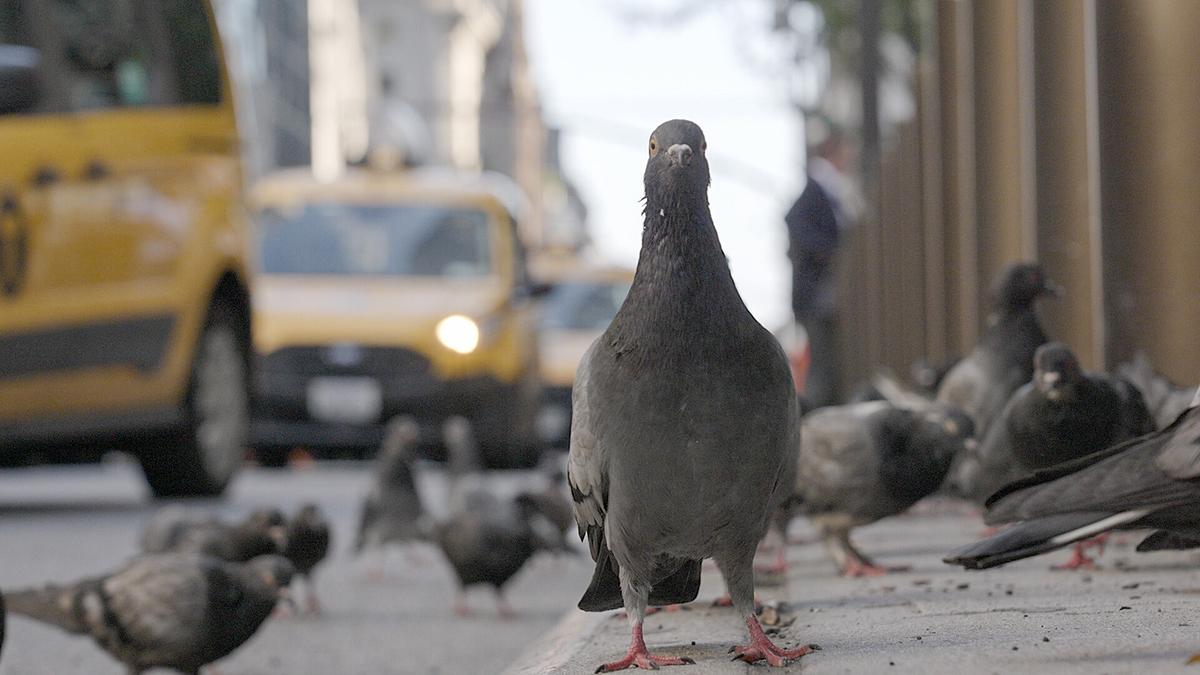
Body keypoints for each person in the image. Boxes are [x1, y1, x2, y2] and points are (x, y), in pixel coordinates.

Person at [785, 126, 856, 408]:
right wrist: (827, 252)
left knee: (825, 361)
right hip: (815, 294)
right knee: (822, 364)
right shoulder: (818, 189)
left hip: (816, 293)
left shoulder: (825, 189)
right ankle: (815, 415)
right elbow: (795, 222)